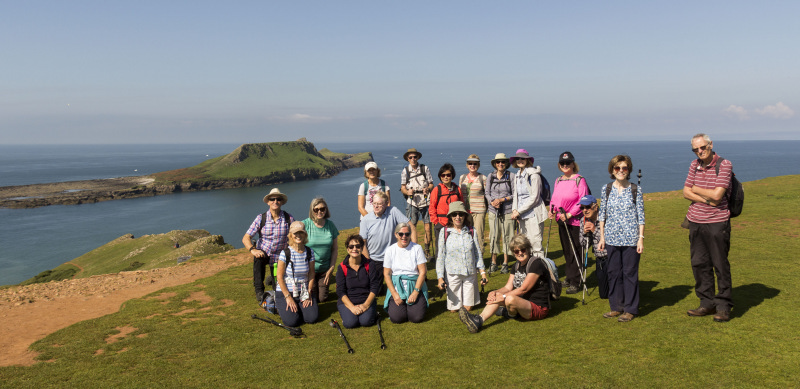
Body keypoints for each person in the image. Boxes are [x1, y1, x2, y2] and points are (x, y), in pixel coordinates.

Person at [683, 133, 734, 322]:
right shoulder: (694, 165)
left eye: (702, 147)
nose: (700, 152)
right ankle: (706, 303)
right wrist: (704, 196)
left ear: (711, 145)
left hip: (717, 221)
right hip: (695, 221)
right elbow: (686, 191)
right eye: (695, 149)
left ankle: (723, 306)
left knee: (720, 264)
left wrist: (696, 189)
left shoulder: (724, 164)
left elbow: (718, 195)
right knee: (699, 263)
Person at [458, 235, 551, 333]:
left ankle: (509, 313)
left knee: (509, 298)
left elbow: (524, 289)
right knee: (498, 296)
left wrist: (502, 296)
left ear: (528, 249)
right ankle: (479, 320)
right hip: (522, 302)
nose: (520, 253)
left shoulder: (536, 264)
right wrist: (495, 292)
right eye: (516, 251)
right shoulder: (516, 265)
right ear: (513, 253)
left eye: (523, 250)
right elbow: (508, 287)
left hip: (537, 307)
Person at [598, 155, 645, 322]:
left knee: (630, 273)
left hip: (631, 238)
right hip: (611, 238)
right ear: (612, 170)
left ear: (629, 170)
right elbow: (602, 213)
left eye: (624, 168)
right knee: (613, 273)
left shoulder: (635, 189)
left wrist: (640, 239)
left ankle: (630, 308)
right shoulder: (606, 189)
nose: (621, 171)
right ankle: (616, 307)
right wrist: (602, 237)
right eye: (617, 168)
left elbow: (641, 216)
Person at [242, 188, 294, 305]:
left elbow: (295, 235)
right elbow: (246, 237)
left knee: (278, 290)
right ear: (268, 202)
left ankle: (272, 277)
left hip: (280, 256)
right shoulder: (261, 218)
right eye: (272, 199)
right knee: (258, 259)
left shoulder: (288, 218)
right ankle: (259, 290)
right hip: (264, 252)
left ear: (281, 202)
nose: (275, 201)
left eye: (278, 199)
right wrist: (253, 250)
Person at [436, 202, 488, 312]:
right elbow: (441, 256)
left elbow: (477, 253)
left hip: (470, 273)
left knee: (467, 308)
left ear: (465, 216)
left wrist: (483, 273)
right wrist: (440, 277)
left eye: (461, 214)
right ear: (450, 217)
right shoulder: (444, 232)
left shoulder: (471, 231)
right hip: (453, 274)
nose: (458, 217)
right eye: (454, 214)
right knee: (454, 309)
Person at [549, 151, 590, 294]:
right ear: (559, 165)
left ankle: (576, 281)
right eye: (562, 163)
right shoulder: (558, 180)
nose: (565, 165)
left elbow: (583, 200)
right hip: (561, 220)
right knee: (567, 250)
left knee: (576, 250)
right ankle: (569, 276)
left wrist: (570, 213)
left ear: (573, 164)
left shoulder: (580, 180)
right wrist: (552, 210)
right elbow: (554, 199)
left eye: (568, 163)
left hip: (575, 221)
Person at [274, 221, 319, 327]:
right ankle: (277, 303)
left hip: (303, 290)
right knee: (292, 322)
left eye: (301, 233)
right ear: (290, 235)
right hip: (286, 291)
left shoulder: (309, 252)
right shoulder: (285, 253)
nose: (298, 236)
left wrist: (308, 292)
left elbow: (312, 274)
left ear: (305, 235)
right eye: (295, 233)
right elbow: (279, 277)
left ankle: (299, 307)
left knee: (312, 318)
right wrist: (288, 297)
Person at [383, 223, 429, 323]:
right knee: (397, 318)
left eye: (407, 234)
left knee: (416, 318)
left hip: (414, 285)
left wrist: (416, 292)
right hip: (397, 286)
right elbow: (386, 274)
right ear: (396, 234)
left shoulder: (417, 248)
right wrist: (394, 294)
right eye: (401, 234)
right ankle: (402, 305)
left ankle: (415, 303)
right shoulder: (390, 250)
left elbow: (422, 272)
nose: (404, 237)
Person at [336, 234, 381, 328]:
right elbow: (340, 291)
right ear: (348, 249)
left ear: (362, 248)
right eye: (351, 246)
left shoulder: (370, 264)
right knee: (350, 324)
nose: (354, 249)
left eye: (358, 246)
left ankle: (370, 312)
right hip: (348, 301)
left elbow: (374, 287)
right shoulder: (342, 267)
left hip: (366, 299)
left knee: (366, 322)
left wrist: (366, 305)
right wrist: (351, 307)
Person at [510, 149, 548, 260]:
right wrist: (514, 211)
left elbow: (535, 198)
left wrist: (519, 211)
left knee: (536, 245)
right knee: (525, 245)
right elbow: (516, 195)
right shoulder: (517, 175)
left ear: (527, 160)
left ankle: (540, 272)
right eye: (518, 158)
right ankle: (529, 271)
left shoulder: (534, 175)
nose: (520, 160)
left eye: (523, 158)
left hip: (534, 215)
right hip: (522, 216)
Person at [360, 191, 415, 267]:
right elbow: (363, 244)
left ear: (386, 203)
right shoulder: (365, 220)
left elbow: (411, 227)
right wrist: (368, 263)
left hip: (393, 258)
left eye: (379, 204)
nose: (376, 206)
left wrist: (414, 249)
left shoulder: (393, 211)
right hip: (374, 260)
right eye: (374, 203)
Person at [301, 197, 339, 303]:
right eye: (316, 209)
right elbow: (293, 234)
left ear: (326, 210)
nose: (319, 211)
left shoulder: (330, 225)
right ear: (312, 210)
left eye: (322, 209)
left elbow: (335, 249)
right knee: (312, 298)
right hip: (309, 270)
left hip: (324, 270)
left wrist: (331, 269)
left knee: (322, 299)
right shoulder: (305, 224)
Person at [400, 148, 435, 257]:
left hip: (425, 200)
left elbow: (431, 184)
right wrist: (407, 191)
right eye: (410, 157)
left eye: (415, 157)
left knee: (428, 228)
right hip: (412, 202)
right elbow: (402, 187)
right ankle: (413, 250)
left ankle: (426, 250)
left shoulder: (425, 168)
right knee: (411, 227)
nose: (413, 159)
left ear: (418, 157)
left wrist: (428, 189)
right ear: (407, 159)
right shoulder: (405, 171)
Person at [484, 153, 515, 274]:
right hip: (493, 211)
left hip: (507, 210)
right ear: (495, 164)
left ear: (506, 163)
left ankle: (505, 262)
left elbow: (514, 194)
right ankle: (493, 262)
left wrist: (502, 200)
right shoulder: (490, 176)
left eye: (502, 162)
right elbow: (487, 193)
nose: (500, 164)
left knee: (508, 236)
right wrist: (492, 202)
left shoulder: (511, 176)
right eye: (498, 162)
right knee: (494, 236)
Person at [429, 163, 463, 261]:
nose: (446, 177)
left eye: (448, 175)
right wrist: (436, 222)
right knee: (440, 248)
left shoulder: (457, 189)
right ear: (440, 176)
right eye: (443, 175)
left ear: (452, 175)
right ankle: (440, 271)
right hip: (441, 223)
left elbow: (462, 205)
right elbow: (432, 207)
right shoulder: (437, 190)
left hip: (455, 223)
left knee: (455, 246)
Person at [458, 154, 487, 258]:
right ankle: (469, 258)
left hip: (479, 210)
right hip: (465, 212)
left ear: (478, 165)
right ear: (467, 165)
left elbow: (487, 194)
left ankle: (480, 260)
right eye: (470, 163)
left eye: (475, 163)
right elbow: (460, 194)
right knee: (466, 235)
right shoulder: (462, 177)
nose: (472, 165)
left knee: (479, 235)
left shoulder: (483, 178)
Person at [579, 195, 607, 275]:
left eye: (587, 207)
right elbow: (584, 245)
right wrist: (584, 233)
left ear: (595, 207)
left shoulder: (605, 218)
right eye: (582, 208)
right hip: (599, 258)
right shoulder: (583, 220)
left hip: (612, 257)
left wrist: (594, 230)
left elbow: (610, 240)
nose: (585, 210)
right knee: (603, 286)